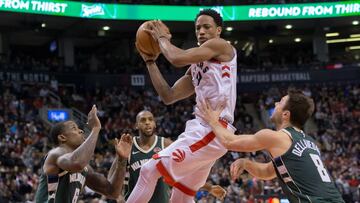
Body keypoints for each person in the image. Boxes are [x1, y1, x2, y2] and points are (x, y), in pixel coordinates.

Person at [128, 9, 237, 203]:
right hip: (206, 130)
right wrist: (151, 62)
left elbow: (176, 58)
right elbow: (168, 96)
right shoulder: (196, 67)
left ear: (218, 30)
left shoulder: (222, 46)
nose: (201, 31)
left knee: (148, 171)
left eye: (206, 27)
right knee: (181, 196)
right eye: (197, 28)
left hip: (213, 129)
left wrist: (161, 38)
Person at [197, 89, 345, 202]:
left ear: (286, 114)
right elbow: (269, 171)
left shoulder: (276, 137)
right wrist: (246, 163)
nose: (275, 104)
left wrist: (213, 121)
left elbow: (229, 142)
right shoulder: (309, 141)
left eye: (280, 102)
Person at [124, 110, 227, 203]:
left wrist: (208, 187)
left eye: (150, 119)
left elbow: (184, 172)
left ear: (155, 124)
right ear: (136, 125)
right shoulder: (127, 146)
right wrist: (120, 160)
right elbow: (114, 185)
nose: (147, 122)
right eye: (143, 120)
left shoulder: (167, 144)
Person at [35, 105, 132, 203]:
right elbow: (77, 163)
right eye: (74, 128)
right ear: (62, 137)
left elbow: (112, 192)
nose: (81, 130)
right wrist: (95, 128)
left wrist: (122, 160)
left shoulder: (85, 169)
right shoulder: (55, 154)